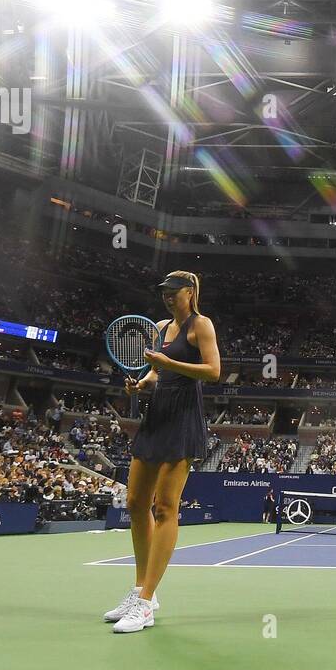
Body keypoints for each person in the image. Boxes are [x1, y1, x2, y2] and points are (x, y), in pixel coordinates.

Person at [104, 271, 222, 634]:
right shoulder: (158, 326)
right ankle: (142, 589)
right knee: (136, 503)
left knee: (166, 507)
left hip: (184, 419)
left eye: (173, 292)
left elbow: (214, 371)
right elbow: (156, 374)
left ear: (190, 292)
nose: (167, 298)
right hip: (156, 417)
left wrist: (170, 366)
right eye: (164, 293)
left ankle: (146, 604)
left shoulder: (201, 326)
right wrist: (142, 383)